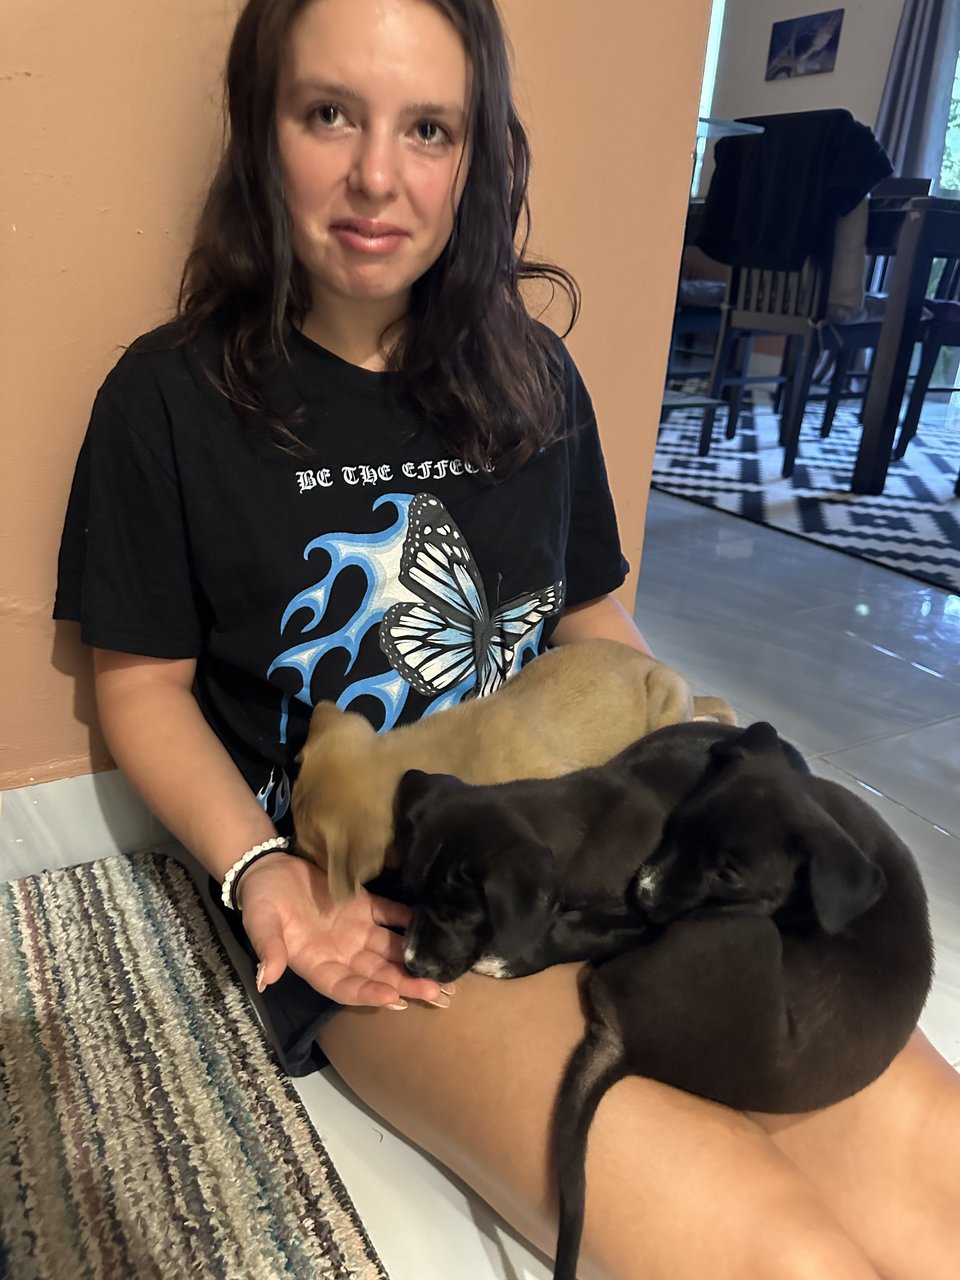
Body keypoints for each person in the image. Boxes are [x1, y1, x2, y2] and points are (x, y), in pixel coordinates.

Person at [54, 1, 960, 1277]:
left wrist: (698, 757)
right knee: (775, 1245)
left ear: (475, 157)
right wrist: (261, 872)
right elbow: (138, 685)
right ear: (263, 133)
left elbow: (593, 624)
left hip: (600, 829)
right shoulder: (167, 398)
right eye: (329, 115)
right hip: (390, 893)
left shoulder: (534, 372)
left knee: (938, 1156)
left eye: (428, 128)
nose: (379, 174)